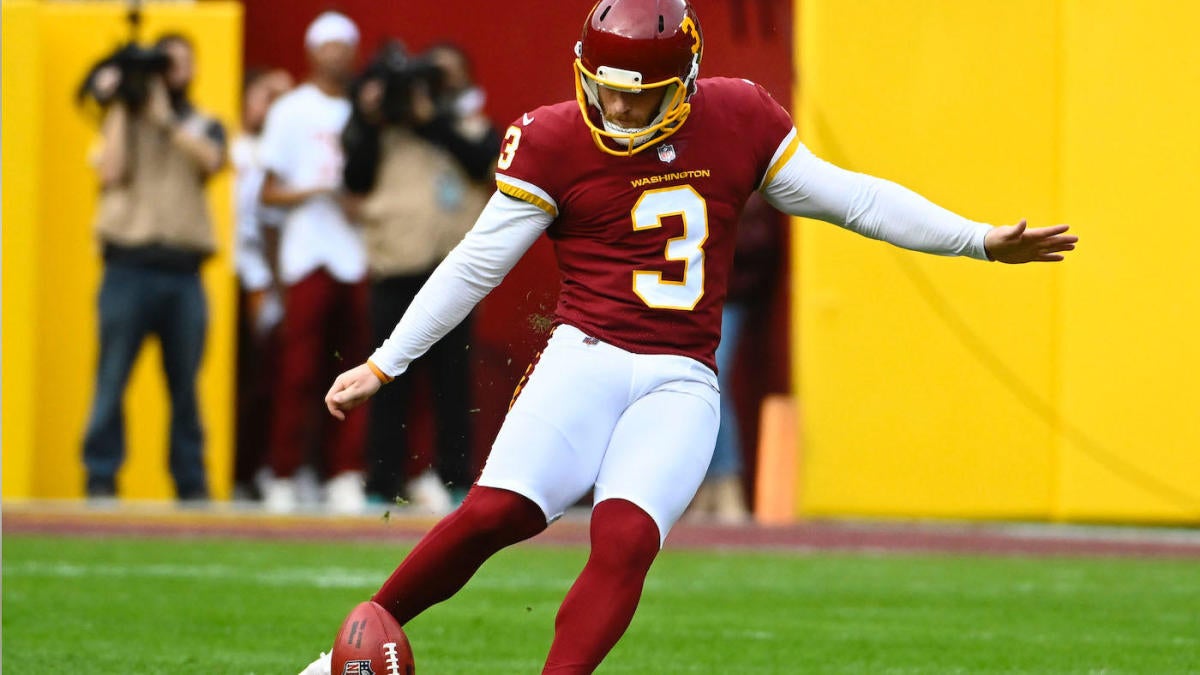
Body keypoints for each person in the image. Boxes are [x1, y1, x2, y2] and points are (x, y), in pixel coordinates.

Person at [302, 0, 1077, 672]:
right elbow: (475, 263)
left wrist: (976, 239)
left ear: (687, 81)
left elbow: (856, 200)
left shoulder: (739, 117)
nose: (620, 112)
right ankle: (347, 649)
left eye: (641, 98)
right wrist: (385, 361)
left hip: (679, 377)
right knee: (495, 512)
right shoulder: (553, 138)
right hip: (584, 355)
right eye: (605, 92)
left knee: (627, 538)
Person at [341, 42, 499, 513]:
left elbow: (477, 163)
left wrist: (427, 116)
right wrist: (371, 116)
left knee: (454, 384)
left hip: (452, 273)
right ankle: (381, 483)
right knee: (386, 381)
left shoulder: (470, 127)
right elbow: (355, 178)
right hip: (395, 269)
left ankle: (455, 481)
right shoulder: (379, 133)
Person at [82, 33, 226, 501]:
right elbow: (110, 173)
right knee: (111, 379)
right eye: (165, 62)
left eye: (181, 61)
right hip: (126, 265)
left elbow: (211, 162)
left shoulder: (204, 123)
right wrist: (124, 101)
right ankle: (100, 476)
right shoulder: (124, 120)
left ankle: (190, 482)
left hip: (184, 271)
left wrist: (164, 120)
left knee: (185, 387)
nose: (172, 70)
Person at [258, 11, 370, 514]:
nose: (336, 55)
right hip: (308, 250)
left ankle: (344, 472)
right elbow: (267, 191)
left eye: (343, 46)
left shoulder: (363, 109)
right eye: (327, 46)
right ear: (311, 52)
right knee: (298, 371)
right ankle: (284, 471)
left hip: (356, 250)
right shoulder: (291, 110)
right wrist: (317, 190)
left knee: (358, 368)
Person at [688, 192, 782, 523]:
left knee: (712, 383)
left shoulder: (741, 179)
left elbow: (756, 246)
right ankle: (709, 490)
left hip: (724, 296)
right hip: (687, 296)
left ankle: (726, 487)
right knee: (700, 386)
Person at [231, 67, 294, 500]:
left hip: (275, 273)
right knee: (243, 379)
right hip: (242, 271)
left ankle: (260, 469)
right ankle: (238, 469)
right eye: (266, 95)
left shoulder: (288, 150)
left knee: (270, 380)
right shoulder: (236, 148)